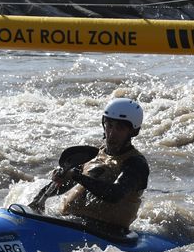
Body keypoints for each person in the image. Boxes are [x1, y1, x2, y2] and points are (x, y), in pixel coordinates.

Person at [38, 98, 149, 233]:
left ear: (133, 132)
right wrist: (41, 198)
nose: (112, 133)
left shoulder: (136, 164)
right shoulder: (93, 154)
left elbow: (115, 194)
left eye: (120, 128)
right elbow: (69, 183)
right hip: (71, 222)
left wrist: (76, 176)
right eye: (109, 125)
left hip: (107, 233)